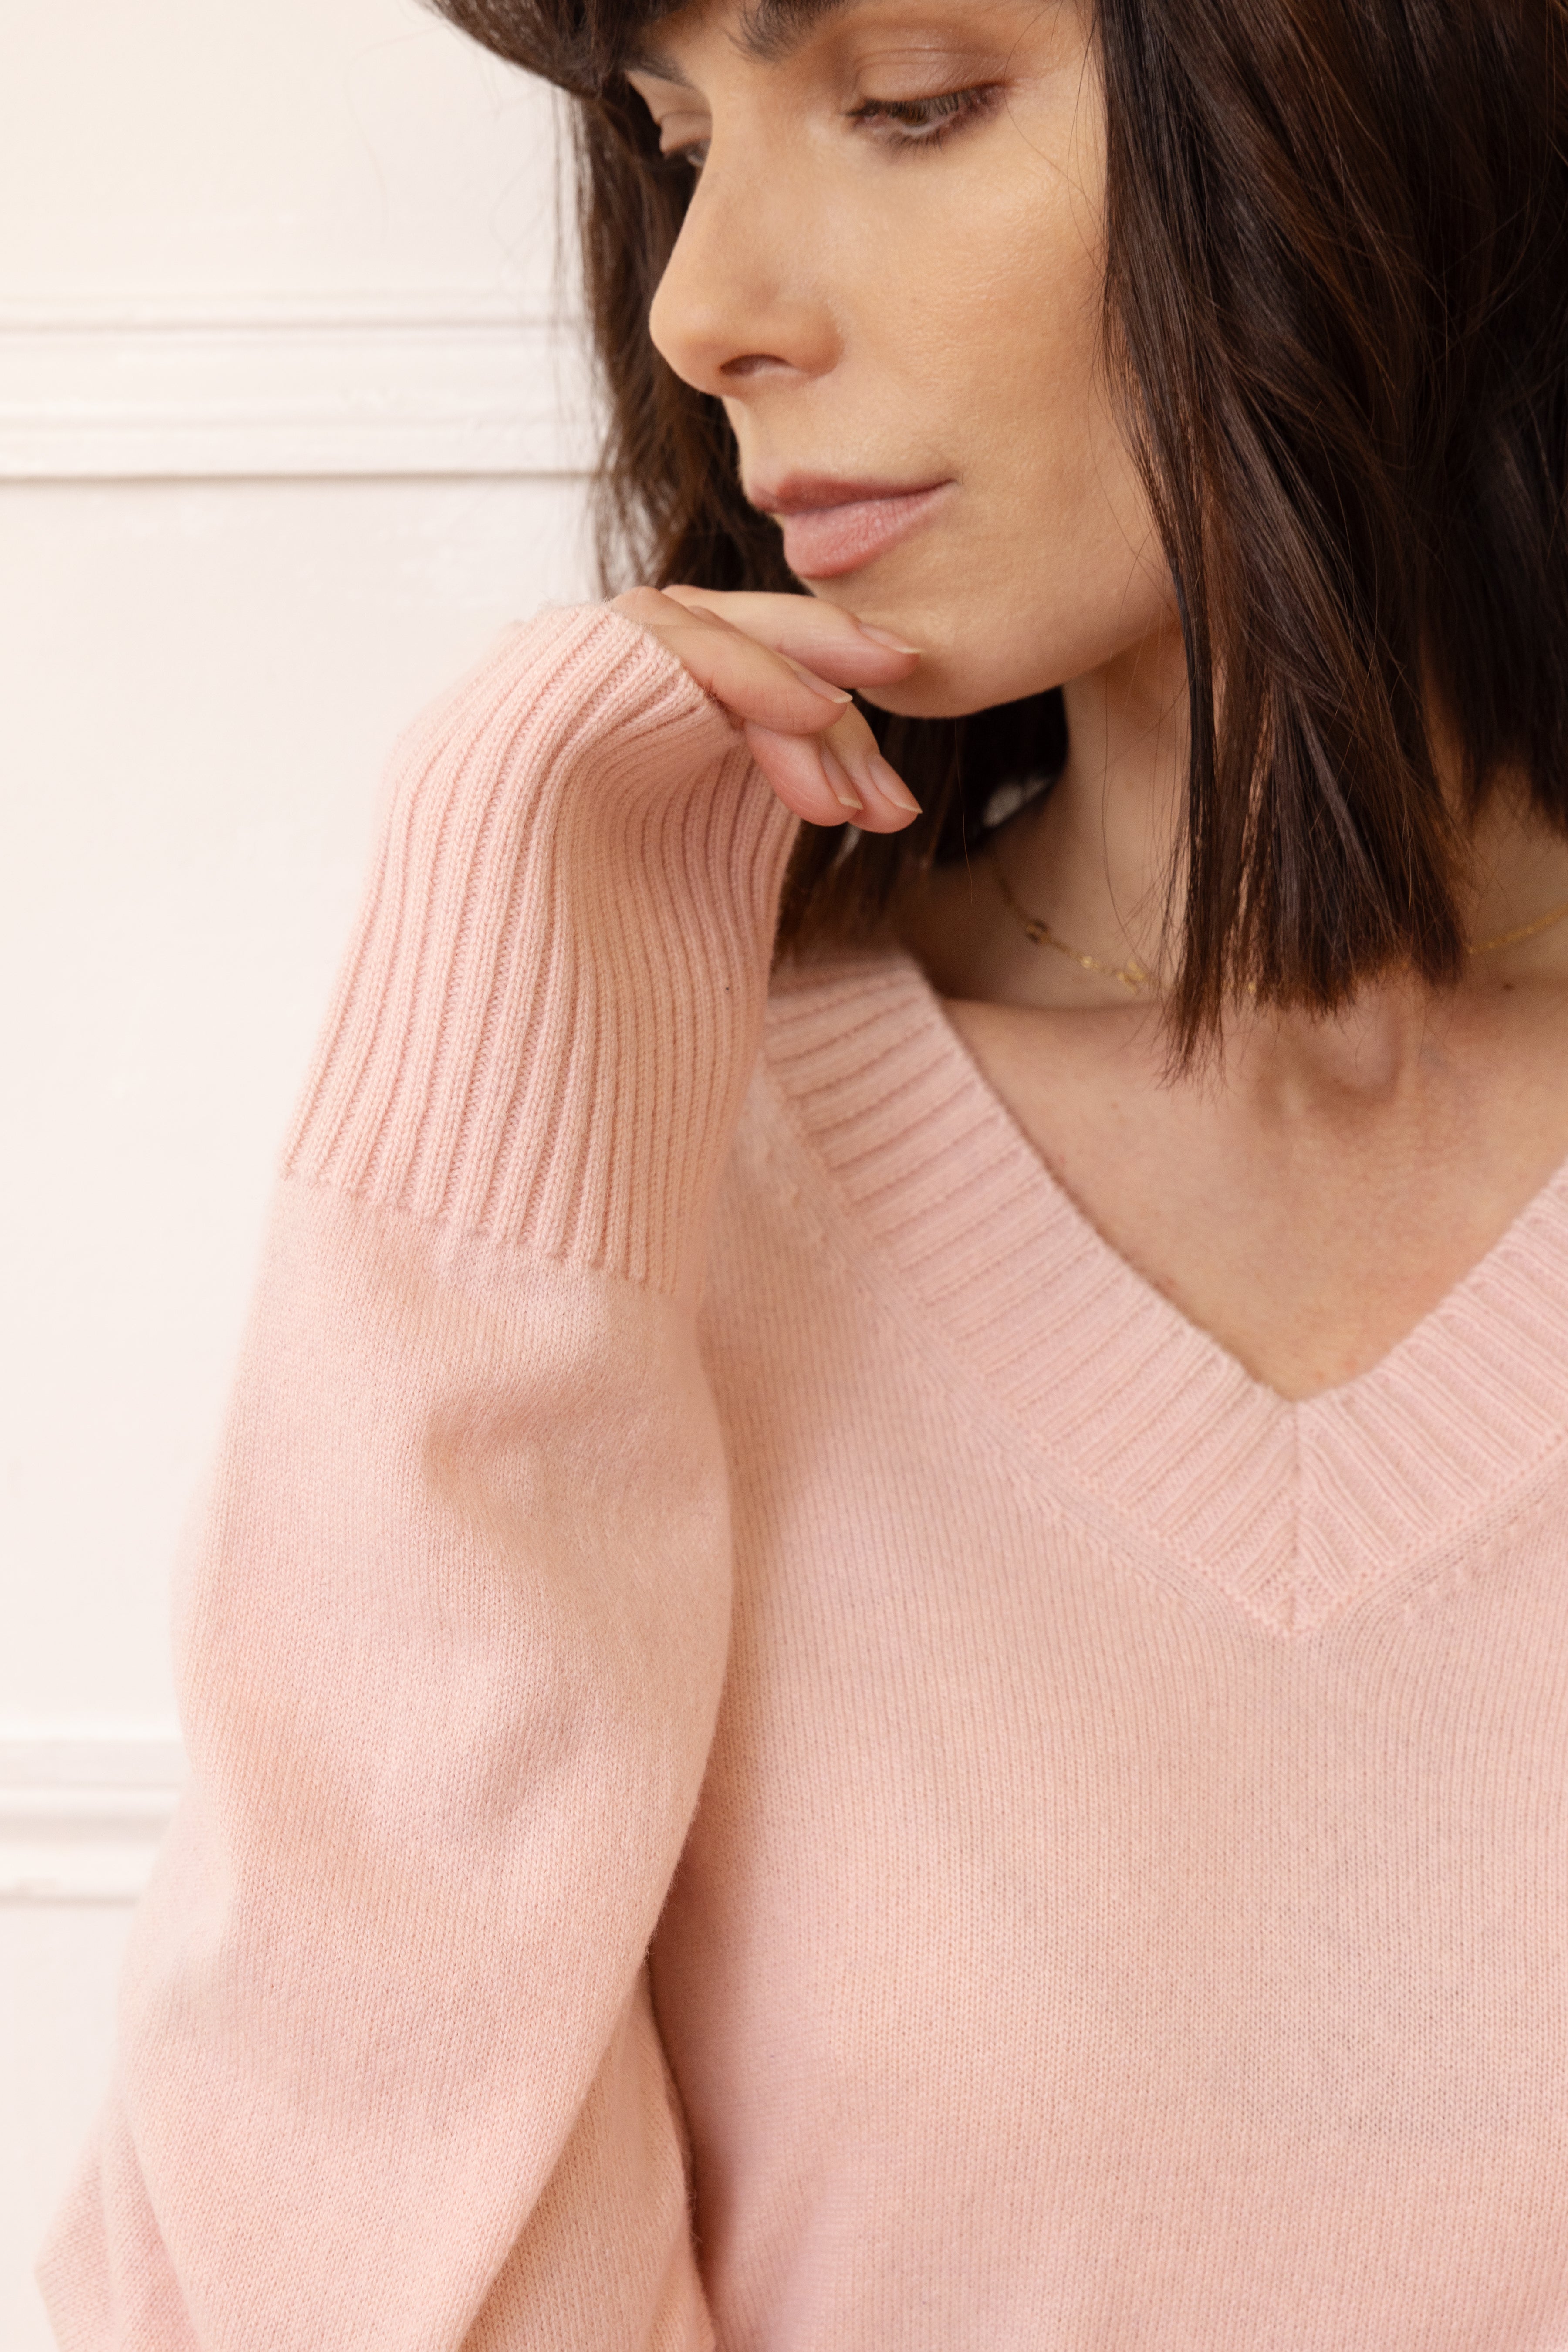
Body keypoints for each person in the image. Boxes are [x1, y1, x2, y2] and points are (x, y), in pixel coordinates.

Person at [37, 0, 1568, 2343]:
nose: (698, 303)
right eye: (667, 142)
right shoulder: (647, 1187)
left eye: (908, 104)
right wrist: (483, 1098)